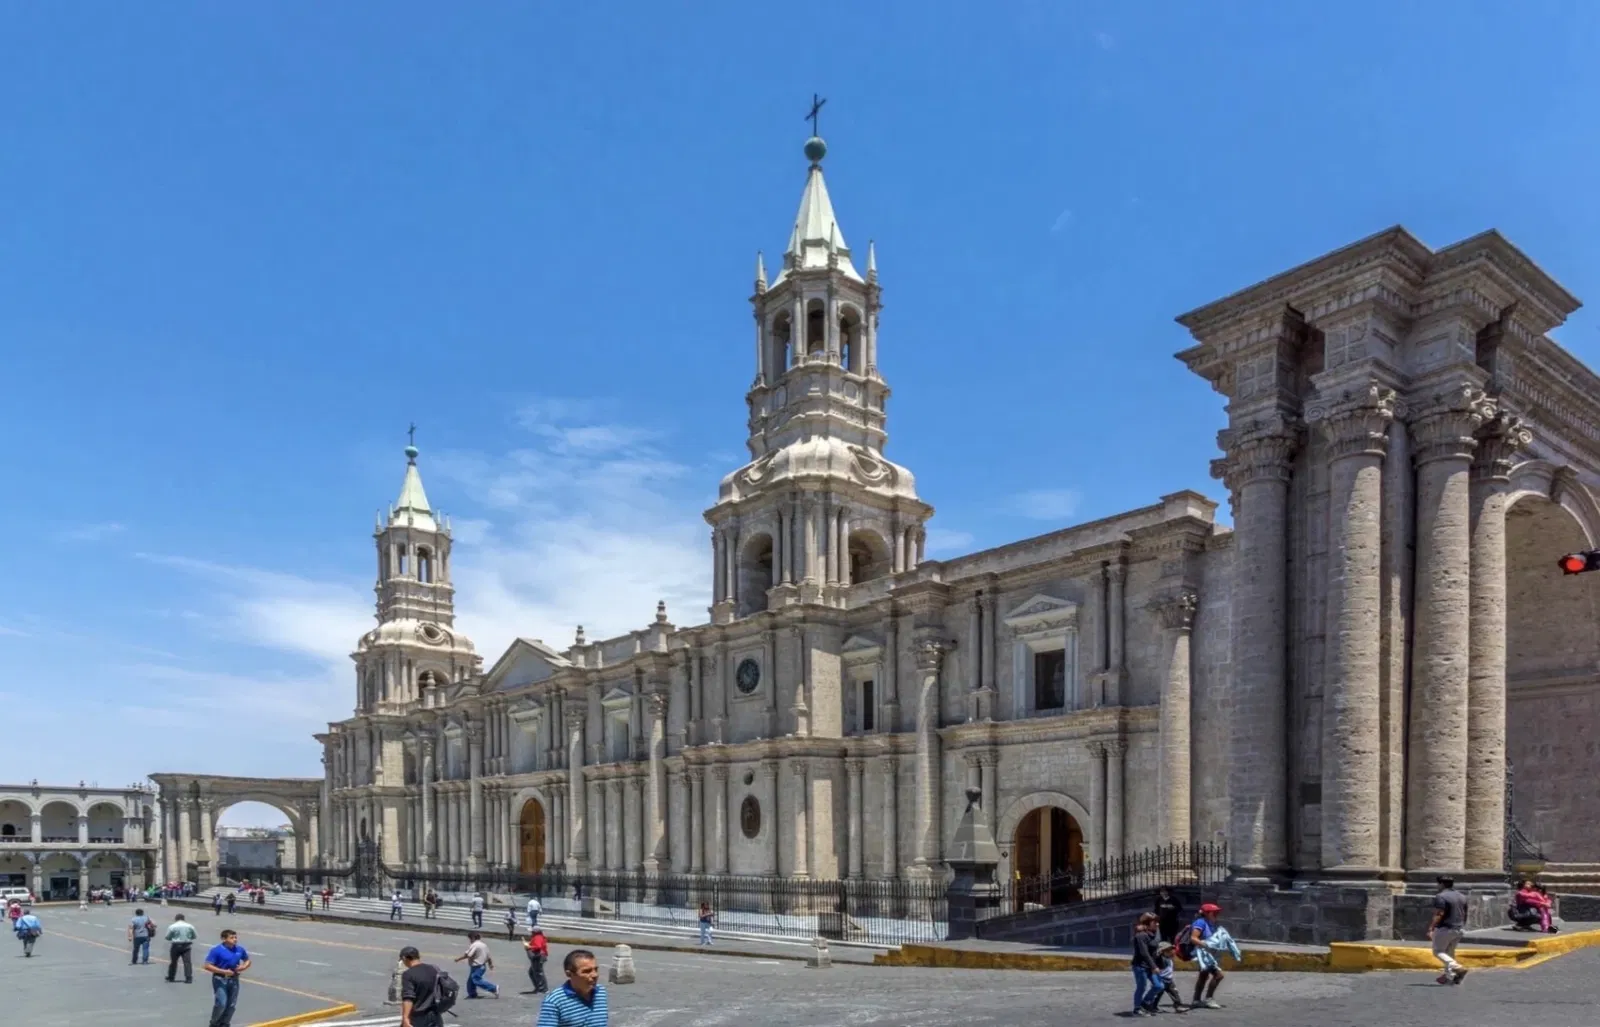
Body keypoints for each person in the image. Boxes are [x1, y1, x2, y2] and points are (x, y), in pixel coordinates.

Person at [537, 948, 608, 1027]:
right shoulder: (554, 1001)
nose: (595, 975)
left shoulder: (601, 992)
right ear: (569, 974)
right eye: (587, 971)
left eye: (596, 969)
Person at [203, 928, 251, 1027]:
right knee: (221, 1003)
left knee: (231, 1005)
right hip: (220, 979)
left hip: (234, 980)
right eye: (232, 937)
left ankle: (225, 1023)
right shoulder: (216, 950)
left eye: (236, 937)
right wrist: (224, 971)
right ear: (224, 939)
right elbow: (207, 965)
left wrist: (243, 966)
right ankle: (214, 1023)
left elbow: (247, 960)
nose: (235, 939)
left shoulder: (239, 949)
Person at [1181, 902, 1225, 1009]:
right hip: (1202, 954)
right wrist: (1206, 945)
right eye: (1214, 912)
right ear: (1207, 913)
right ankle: (1209, 999)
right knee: (1219, 975)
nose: (1217, 914)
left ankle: (1196, 1000)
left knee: (1203, 976)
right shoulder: (1200, 922)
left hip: (1208, 954)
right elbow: (1193, 938)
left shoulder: (1210, 923)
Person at [1429, 876, 1470, 985]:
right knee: (1449, 953)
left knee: (1438, 951)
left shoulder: (1441, 896)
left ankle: (1458, 968)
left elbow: (1439, 913)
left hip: (1445, 928)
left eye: (1438, 884)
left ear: (1441, 884)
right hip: (1459, 929)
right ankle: (1450, 976)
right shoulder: (1462, 896)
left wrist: (1431, 927)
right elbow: (1465, 914)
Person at [399, 945, 448, 1027]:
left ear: (404, 958)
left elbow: (408, 998)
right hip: (435, 1015)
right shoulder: (434, 968)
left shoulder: (408, 974)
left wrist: (405, 1018)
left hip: (419, 1017)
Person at [1130, 912, 1162, 1016]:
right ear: (1147, 923)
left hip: (1150, 966)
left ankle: (1145, 1003)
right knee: (1142, 987)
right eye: (1154, 922)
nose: (1157, 924)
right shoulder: (1141, 936)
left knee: (1159, 986)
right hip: (1140, 966)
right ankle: (1137, 1008)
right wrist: (1154, 966)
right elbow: (1144, 953)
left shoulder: (1154, 934)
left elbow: (1157, 942)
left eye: (1158, 922)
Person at [1145, 941, 1189, 1015]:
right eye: (1168, 951)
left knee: (1175, 993)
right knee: (1157, 995)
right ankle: (1152, 1007)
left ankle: (1178, 1006)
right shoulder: (1160, 959)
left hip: (1169, 980)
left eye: (1171, 950)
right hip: (1161, 979)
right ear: (1162, 952)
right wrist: (1159, 953)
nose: (1171, 952)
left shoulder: (1170, 958)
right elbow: (1156, 957)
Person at [454, 931, 499, 999]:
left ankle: (493, 988)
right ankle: (472, 994)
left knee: (476, 979)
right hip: (482, 966)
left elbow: (468, 955)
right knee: (470, 981)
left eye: (470, 939)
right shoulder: (484, 945)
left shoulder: (475, 945)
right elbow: (488, 956)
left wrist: (458, 959)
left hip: (477, 966)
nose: (470, 941)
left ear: (473, 938)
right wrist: (490, 964)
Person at [165, 913, 198, 983]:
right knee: (187, 962)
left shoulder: (172, 926)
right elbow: (194, 936)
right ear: (183, 919)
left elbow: (167, 937)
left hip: (176, 945)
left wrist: (173, 937)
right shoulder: (190, 926)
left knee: (173, 962)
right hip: (186, 945)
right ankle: (188, 978)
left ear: (176, 919)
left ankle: (171, 977)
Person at [525, 929, 550, 994]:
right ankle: (539, 987)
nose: (531, 932)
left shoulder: (537, 937)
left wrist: (529, 946)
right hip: (539, 956)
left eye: (532, 931)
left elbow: (538, 947)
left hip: (538, 957)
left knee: (538, 973)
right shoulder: (538, 937)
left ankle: (543, 989)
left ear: (535, 932)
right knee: (532, 972)